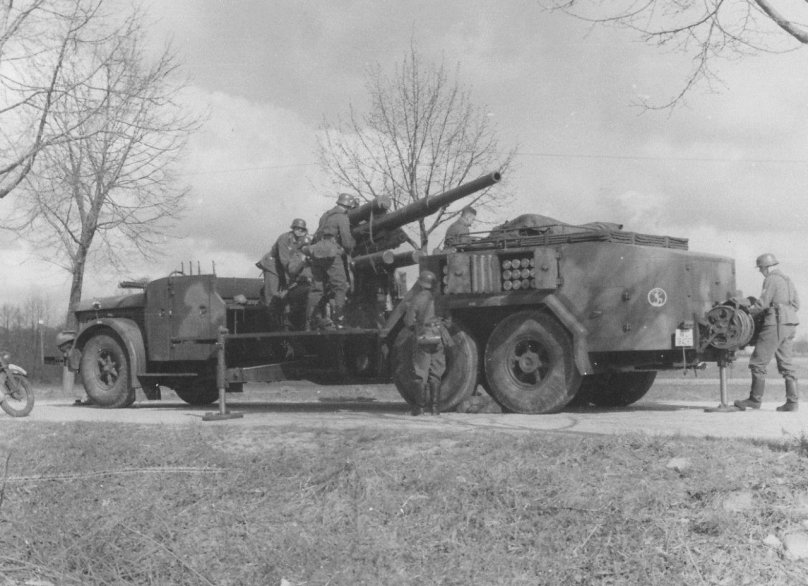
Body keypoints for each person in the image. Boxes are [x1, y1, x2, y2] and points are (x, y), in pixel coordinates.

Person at [735, 253, 800, 412]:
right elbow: (796, 303)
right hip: (790, 323)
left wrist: (747, 312)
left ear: (767, 267)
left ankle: (754, 400)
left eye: (761, 269)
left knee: (757, 362)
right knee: (786, 364)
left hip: (775, 323)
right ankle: (792, 402)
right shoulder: (787, 279)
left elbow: (762, 304)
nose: (760, 272)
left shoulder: (771, 279)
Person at [404, 270, 453, 416]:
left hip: (423, 338)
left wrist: (418, 328)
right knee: (436, 373)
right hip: (438, 338)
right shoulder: (441, 300)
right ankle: (435, 409)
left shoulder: (416, 299)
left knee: (420, 372)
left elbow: (408, 322)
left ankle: (419, 408)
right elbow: (449, 323)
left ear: (421, 283)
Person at [306, 193, 356, 328]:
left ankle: (311, 320)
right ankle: (339, 321)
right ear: (349, 206)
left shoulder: (325, 215)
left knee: (317, 289)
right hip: (331, 252)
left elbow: (317, 234)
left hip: (317, 252)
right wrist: (350, 247)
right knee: (340, 286)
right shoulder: (342, 217)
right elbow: (346, 239)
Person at [256, 218, 311, 327]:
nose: (299, 231)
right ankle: (271, 323)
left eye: (302, 229)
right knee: (272, 295)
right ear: (293, 228)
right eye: (297, 228)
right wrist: (291, 278)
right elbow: (284, 261)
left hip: (288, 266)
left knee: (289, 292)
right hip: (273, 265)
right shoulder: (284, 239)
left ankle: (284, 321)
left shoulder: (304, 240)